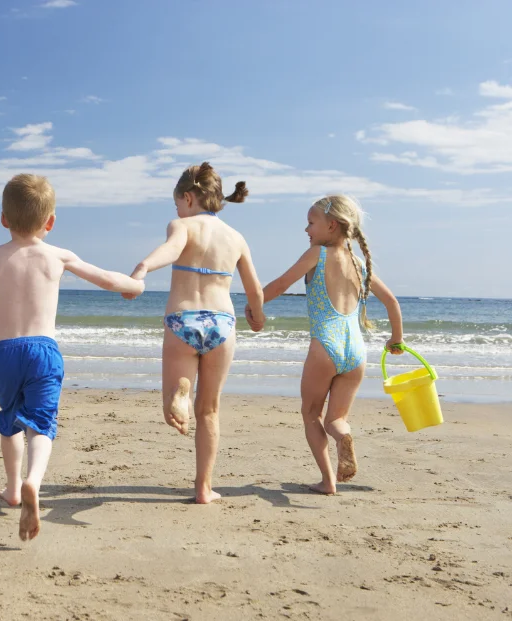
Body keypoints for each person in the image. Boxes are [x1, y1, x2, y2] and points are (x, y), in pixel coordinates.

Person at [0, 173, 144, 540]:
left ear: (3, 219)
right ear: (50, 222)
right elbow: (109, 280)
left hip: (5, 354)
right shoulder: (58, 255)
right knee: (42, 423)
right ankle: (34, 481)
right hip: (43, 351)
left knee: (10, 418)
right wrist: (136, 286)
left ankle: (13, 489)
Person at [128, 162, 265, 504]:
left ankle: (179, 393)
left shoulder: (182, 225)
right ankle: (204, 488)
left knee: (172, 404)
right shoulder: (236, 237)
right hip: (223, 324)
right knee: (210, 411)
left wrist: (143, 266)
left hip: (182, 320)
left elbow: (171, 250)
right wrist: (258, 316)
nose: (176, 211)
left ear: (188, 198)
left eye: (177, 204)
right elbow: (255, 289)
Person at [256, 195, 403, 494]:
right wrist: (396, 339)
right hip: (356, 353)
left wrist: (252, 304)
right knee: (337, 419)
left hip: (325, 346)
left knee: (311, 414)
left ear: (331, 225)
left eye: (311, 223)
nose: (306, 230)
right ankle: (343, 437)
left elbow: (281, 284)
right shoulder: (359, 264)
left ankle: (328, 481)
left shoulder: (316, 255)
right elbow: (392, 302)